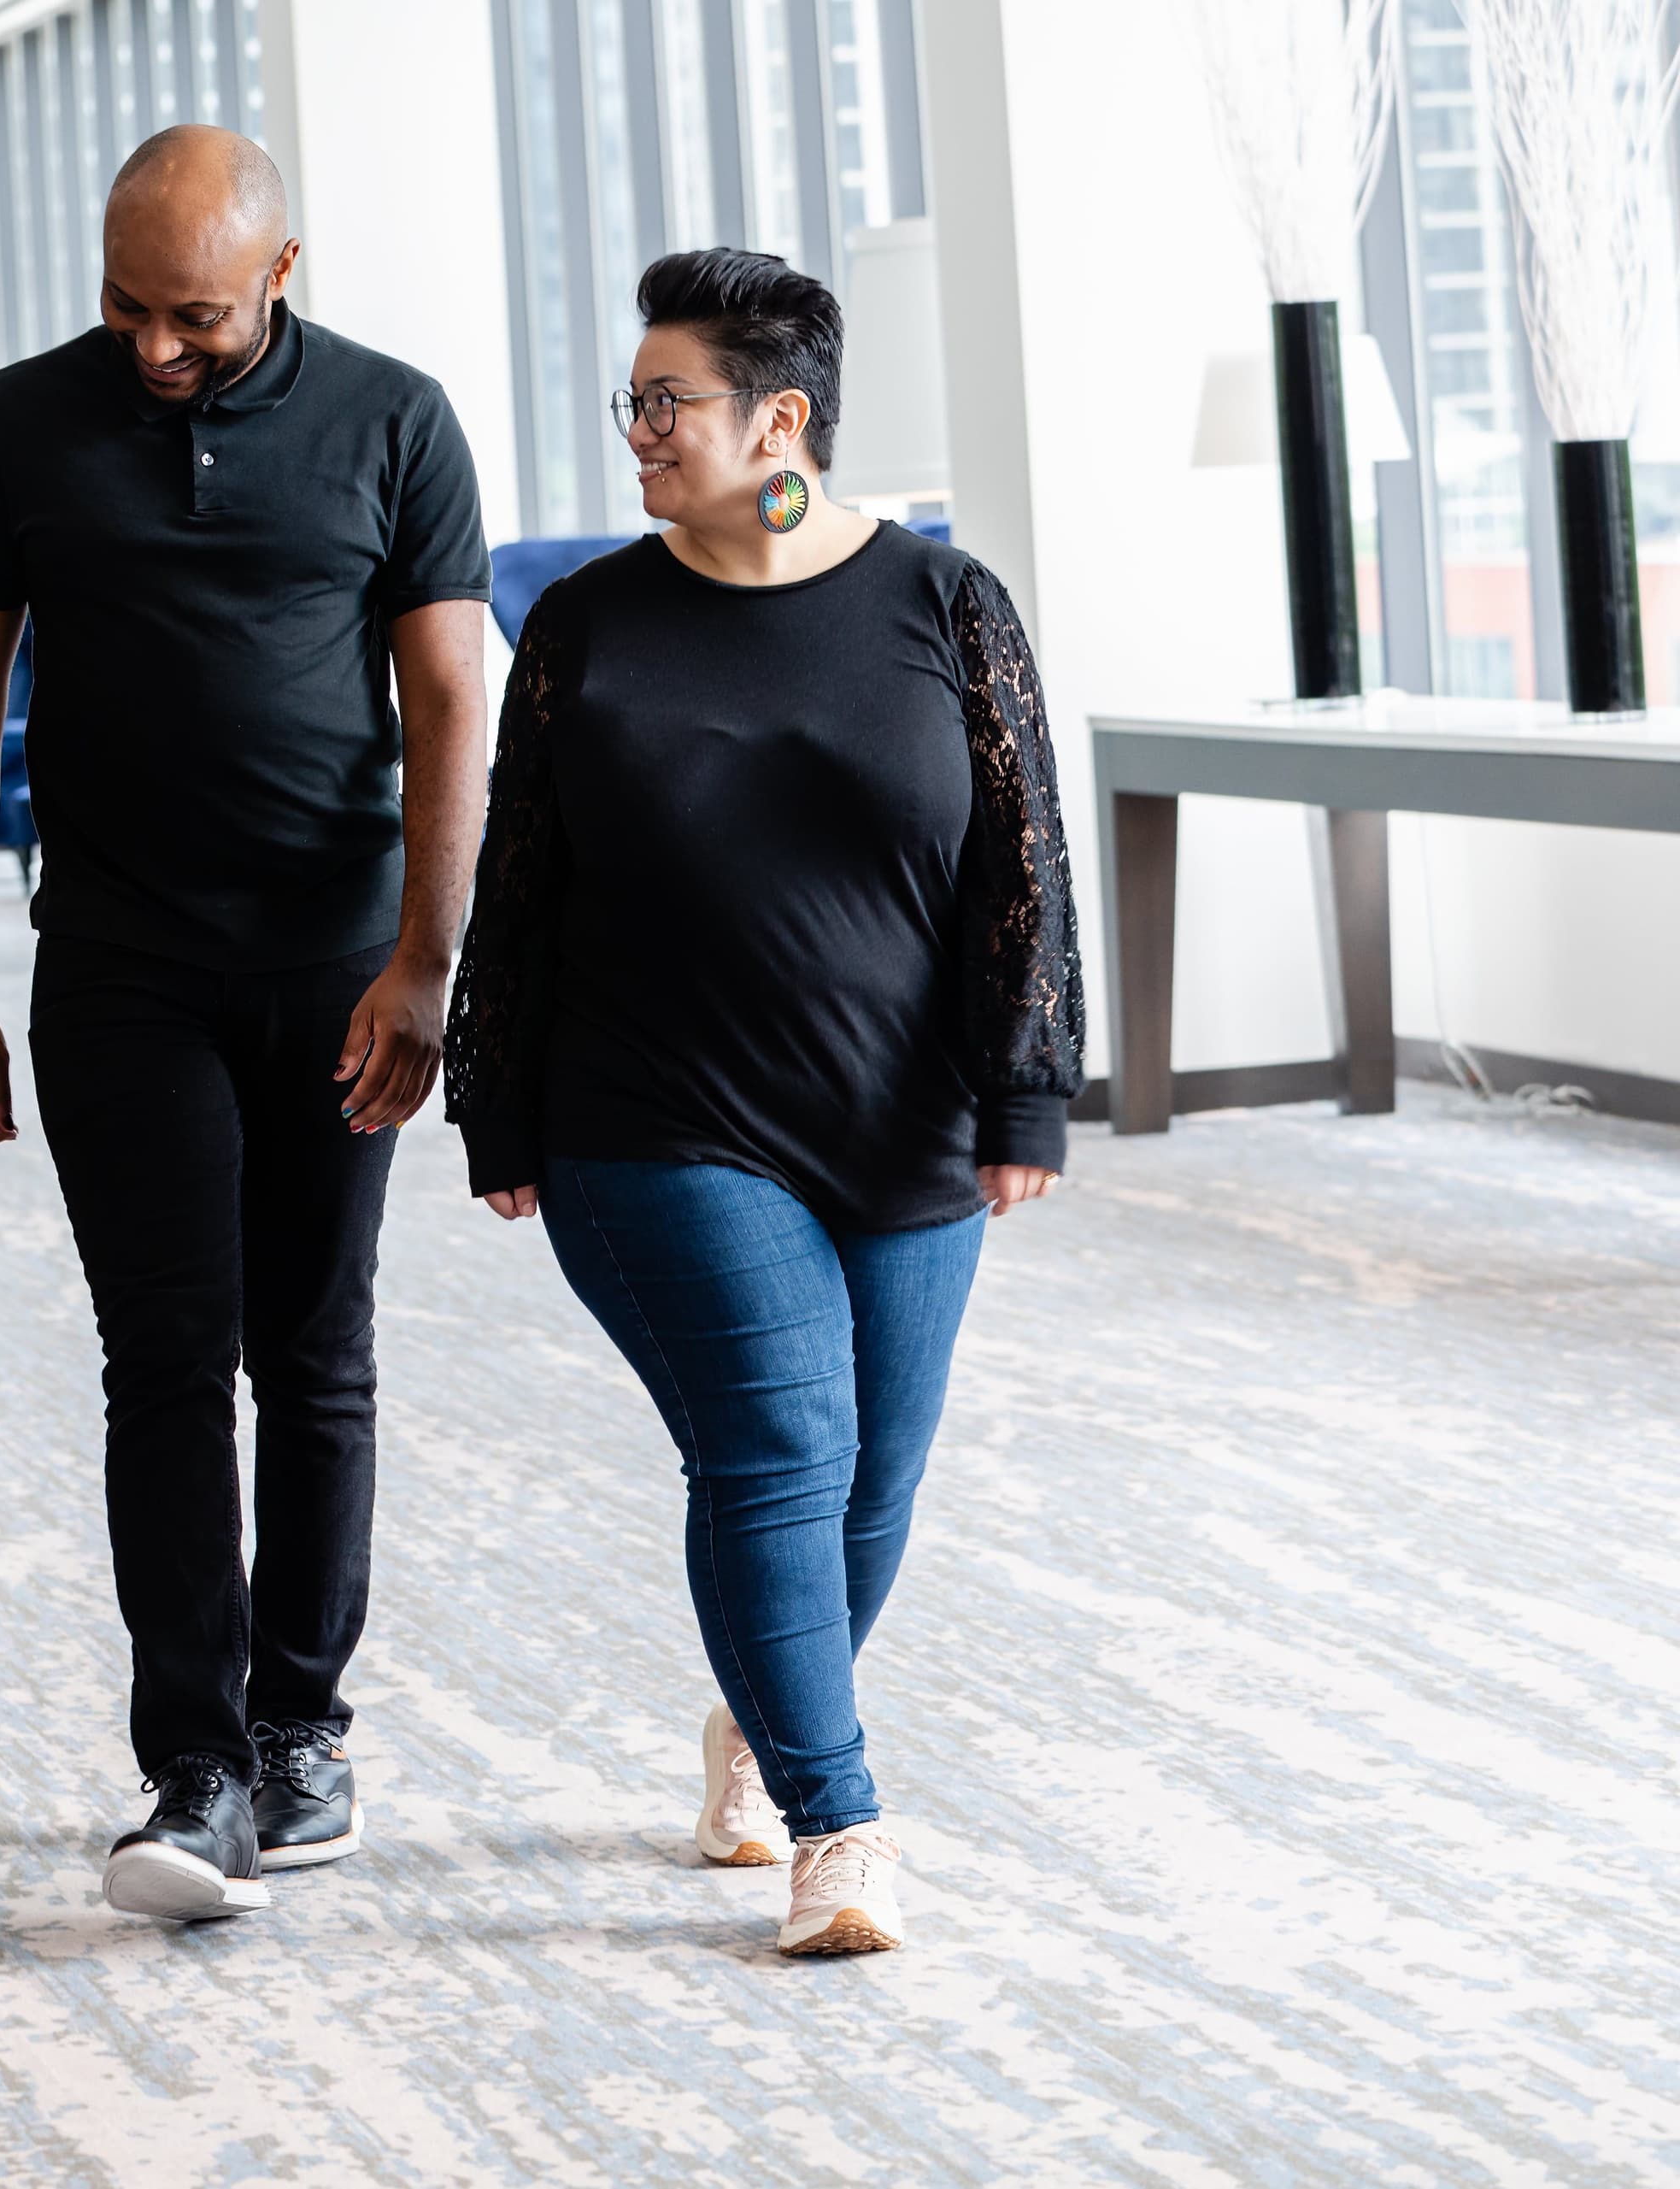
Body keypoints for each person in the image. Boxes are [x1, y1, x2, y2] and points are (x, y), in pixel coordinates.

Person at [443, 246, 1084, 1957]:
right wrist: (491, 1101)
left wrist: (1027, 1086)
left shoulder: (946, 604)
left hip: (905, 1124)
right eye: (631, 402)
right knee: (778, 1448)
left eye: (667, 404)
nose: (635, 433)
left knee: (873, 1480)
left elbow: (1023, 855)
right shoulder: (585, 623)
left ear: (779, 419)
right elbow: (522, 880)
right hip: (656, 1121)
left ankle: (758, 1715)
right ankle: (840, 1821)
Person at [0, 126, 491, 1921]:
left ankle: (304, 1722)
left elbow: (450, 700)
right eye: (125, 308)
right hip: (118, 963)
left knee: (314, 1350)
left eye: (197, 320)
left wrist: (427, 962)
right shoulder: (16, 426)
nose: (155, 350)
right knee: (164, 1356)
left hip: (335, 963)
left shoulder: (397, 423)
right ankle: (196, 1762)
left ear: (282, 277)